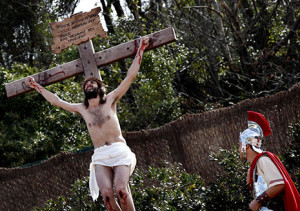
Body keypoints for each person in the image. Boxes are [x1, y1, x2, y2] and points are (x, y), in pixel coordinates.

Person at [26, 36, 150, 211]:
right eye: (86, 84)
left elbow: (130, 76)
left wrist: (140, 50)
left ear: (100, 89)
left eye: (93, 83)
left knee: (121, 189)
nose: (89, 84)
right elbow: (56, 101)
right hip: (100, 155)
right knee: (107, 194)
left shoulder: (111, 100)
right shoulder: (81, 108)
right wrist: (36, 86)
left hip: (119, 150)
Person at [238, 111, 300, 211]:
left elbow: (279, 184)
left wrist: (257, 201)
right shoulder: (253, 167)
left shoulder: (263, 160)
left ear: (247, 145)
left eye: (240, 145)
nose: (238, 149)